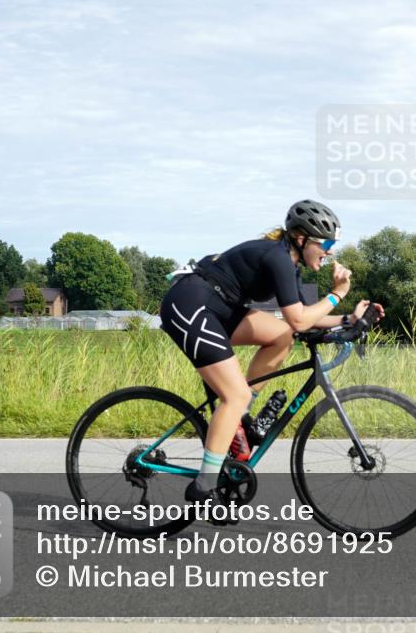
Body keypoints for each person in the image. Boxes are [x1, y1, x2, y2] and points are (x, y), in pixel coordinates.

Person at [160, 200, 384, 520]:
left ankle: (239, 421)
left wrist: (350, 319)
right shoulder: (277, 257)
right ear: (301, 238)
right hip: (190, 304)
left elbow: (303, 319)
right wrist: (338, 293)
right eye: (327, 243)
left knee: (280, 335)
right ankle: (204, 486)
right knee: (233, 395)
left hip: (219, 307)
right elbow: (302, 320)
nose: (330, 252)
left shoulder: (288, 264)